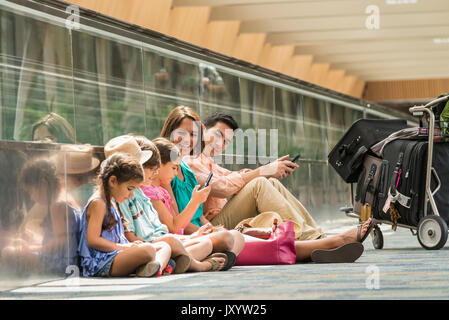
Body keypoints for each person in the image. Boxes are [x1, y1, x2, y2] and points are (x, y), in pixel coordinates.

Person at [184, 112, 326, 241]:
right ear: (203, 130)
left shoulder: (210, 163)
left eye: (226, 142)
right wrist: (263, 170)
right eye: (219, 135)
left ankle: (317, 234)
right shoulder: (190, 160)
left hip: (223, 219)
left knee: (271, 182)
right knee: (259, 184)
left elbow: (233, 176)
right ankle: (310, 238)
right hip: (210, 226)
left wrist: (270, 170)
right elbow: (222, 188)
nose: (220, 144)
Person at [106, 135, 228, 273]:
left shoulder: (140, 193)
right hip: (151, 245)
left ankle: (169, 263)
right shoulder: (126, 197)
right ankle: (195, 265)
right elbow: (171, 228)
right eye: (150, 168)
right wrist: (195, 202)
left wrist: (193, 236)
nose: (155, 173)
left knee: (204, 243)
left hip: (160, 242)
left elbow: (161, 229)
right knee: (170, 244)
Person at [159, 106, 245, 263]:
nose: (188, 139)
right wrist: (208, 232)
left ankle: (222, 258)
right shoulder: (164, 171)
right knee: (227, 238)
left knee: (236, 236)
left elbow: (199, 217)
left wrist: (213, 229)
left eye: (193, 135)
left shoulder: (187, 171)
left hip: (199, 232)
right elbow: (178, 224)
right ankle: (216, 258)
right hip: (185, 234)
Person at [77, 152, 172, 277]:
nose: (131, 195)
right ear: (113, 181)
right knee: (148, 250)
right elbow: (93, 240)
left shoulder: (112, 201)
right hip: (102, 263)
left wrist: (129, 247)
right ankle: (155, 267)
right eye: (130, 188)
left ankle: (155, 267)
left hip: (116, 255)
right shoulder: (98, 203)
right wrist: (123, 247)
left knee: (164, 246)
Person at [1, 158, 81, 275]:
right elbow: (64, 237)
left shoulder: (57, 205)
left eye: (31, 192)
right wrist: (35, 241)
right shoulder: (66, 197)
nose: (32, 198)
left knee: (7, 252)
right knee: (17, 244)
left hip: (62, 265)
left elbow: (60, 245)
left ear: (44, 184)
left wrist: (31, 249)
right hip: (68, 260)